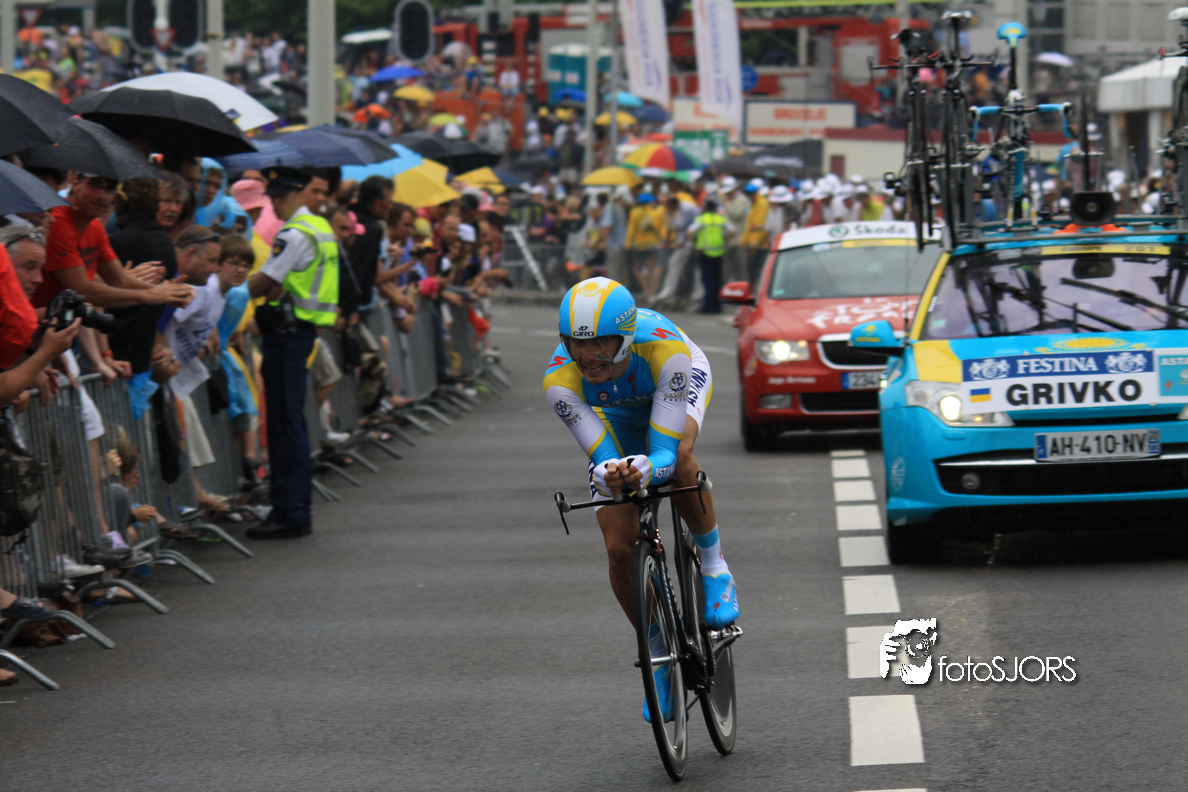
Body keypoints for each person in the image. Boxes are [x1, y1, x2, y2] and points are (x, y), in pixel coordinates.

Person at [543, 277, 740, 723]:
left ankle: (715, 567)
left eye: (602, 343)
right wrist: (613, 473)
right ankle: (658, 654)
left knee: (682, 458)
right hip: (612, 413)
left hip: (668, 390)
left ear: (627, 338)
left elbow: (664, 455)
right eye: (577, 343)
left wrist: (650, 468)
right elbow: (604, 459)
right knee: (618, 547)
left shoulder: (666, 353)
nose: (588, 356)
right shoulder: (560, 379)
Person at [246, 167, 340, 539]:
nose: (276, 203)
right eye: (273, 196)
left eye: (283, 196)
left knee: (285, 426)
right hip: (299, 332)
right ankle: (290, 508)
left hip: (287, 335)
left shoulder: (295, 233)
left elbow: (266, 280)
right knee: (290, 423)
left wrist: (228, 290)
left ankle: (290, 511)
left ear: (300, 194)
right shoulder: (319, 227)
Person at [689, 198, 732, 314]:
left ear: (706, 208)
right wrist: (723, 240)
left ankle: (707, 306)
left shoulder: (701, 219)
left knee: (707, 280)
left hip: (705, 253)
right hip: (719, 252)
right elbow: (732, 232)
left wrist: (696, 245)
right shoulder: (721, 219)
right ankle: (717, 307)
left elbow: (689, 232)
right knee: (717, 280)